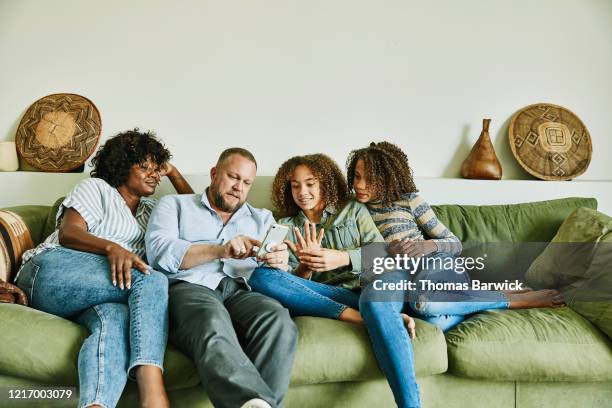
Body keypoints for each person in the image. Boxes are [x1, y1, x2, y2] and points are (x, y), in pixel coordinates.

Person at [15, 129, 194, 408]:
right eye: (144, 167)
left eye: (157, 168)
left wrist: (174, 173)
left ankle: (95, 404)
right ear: (122, 166)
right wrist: (111, 247)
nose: (154, 174)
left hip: (101, 293)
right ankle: (153, 391)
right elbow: (69, 233)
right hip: (51, 271)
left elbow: (195, 217)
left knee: (116, 320)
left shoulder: (152, 211)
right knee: (150, 279)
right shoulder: (96, 188)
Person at [247, 154, 420, 408]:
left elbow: (386, 256)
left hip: (373, 288)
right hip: (333, 296)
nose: (302, 192)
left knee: (377, 298)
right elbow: (293, 286)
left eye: (310, 183)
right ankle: (363, 316)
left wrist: (343, 258)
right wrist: (305, 266)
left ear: (325, 182)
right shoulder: (284, 226)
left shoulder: (352, 209)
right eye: (295, 185)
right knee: (260, 276)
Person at [145, 148, 298, 408]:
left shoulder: (263, 219)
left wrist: (279, 262)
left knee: (279, 320)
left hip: (243, 291)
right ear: (214, 173)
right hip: (191, 288)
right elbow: (159, 254)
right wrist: (221, 250)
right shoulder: (175, 205)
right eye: (233, 177)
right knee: (211, 320)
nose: (239, 187)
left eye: (247, 182)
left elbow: (284, 275)